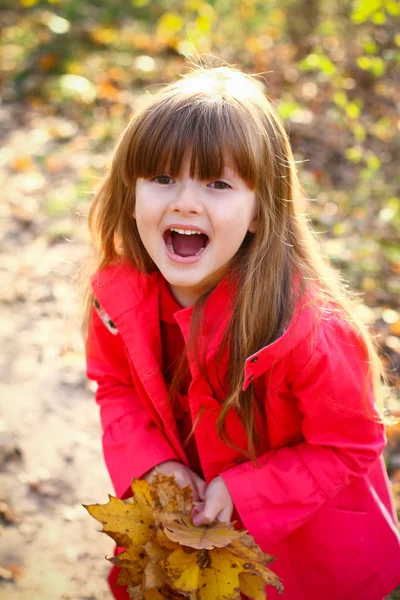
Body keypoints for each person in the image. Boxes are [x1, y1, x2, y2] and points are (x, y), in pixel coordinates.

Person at [83, 63, 400, 600]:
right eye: (162, 178)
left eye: (217, 183)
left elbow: (351, 445)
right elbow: (114, 389)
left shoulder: (307, 329)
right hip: (180, 529)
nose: (184, 200)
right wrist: (154, 464)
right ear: (131, 193)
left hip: (298, 549)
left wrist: (245, 488)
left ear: (259, 212)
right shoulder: (118, 297)